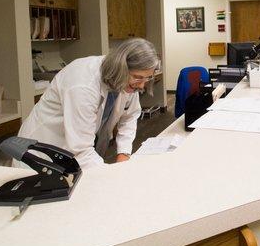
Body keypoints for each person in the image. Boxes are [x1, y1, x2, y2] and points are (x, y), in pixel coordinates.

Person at [17, 38, 160, 169]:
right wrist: (113, 177)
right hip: (41, 154)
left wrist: (124, 154)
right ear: (121, 67)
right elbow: (81, 149)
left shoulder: (126, 82)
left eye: (146, 79)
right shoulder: (82, 84)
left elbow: (129, 116)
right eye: (138, 78)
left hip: (79, 153)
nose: (141, 86)